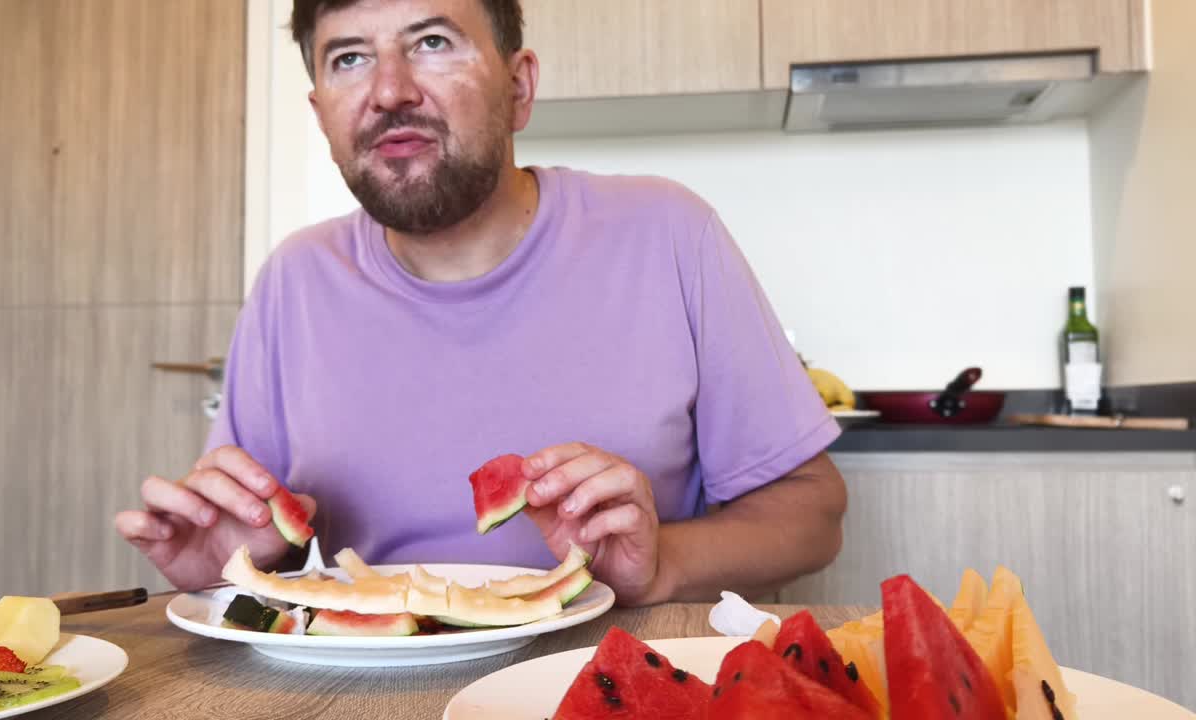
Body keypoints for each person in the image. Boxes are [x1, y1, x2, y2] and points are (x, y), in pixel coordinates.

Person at [115, 0, 848, 607]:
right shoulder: (295, 280)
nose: (390, 90)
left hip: (613, 684)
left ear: (519, 87)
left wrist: (666, 563)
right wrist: (230, 565)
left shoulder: (668, 232)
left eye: (432, 42)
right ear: (321, 114)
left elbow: (813, 513)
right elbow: (260, 541)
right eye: (349, 58)